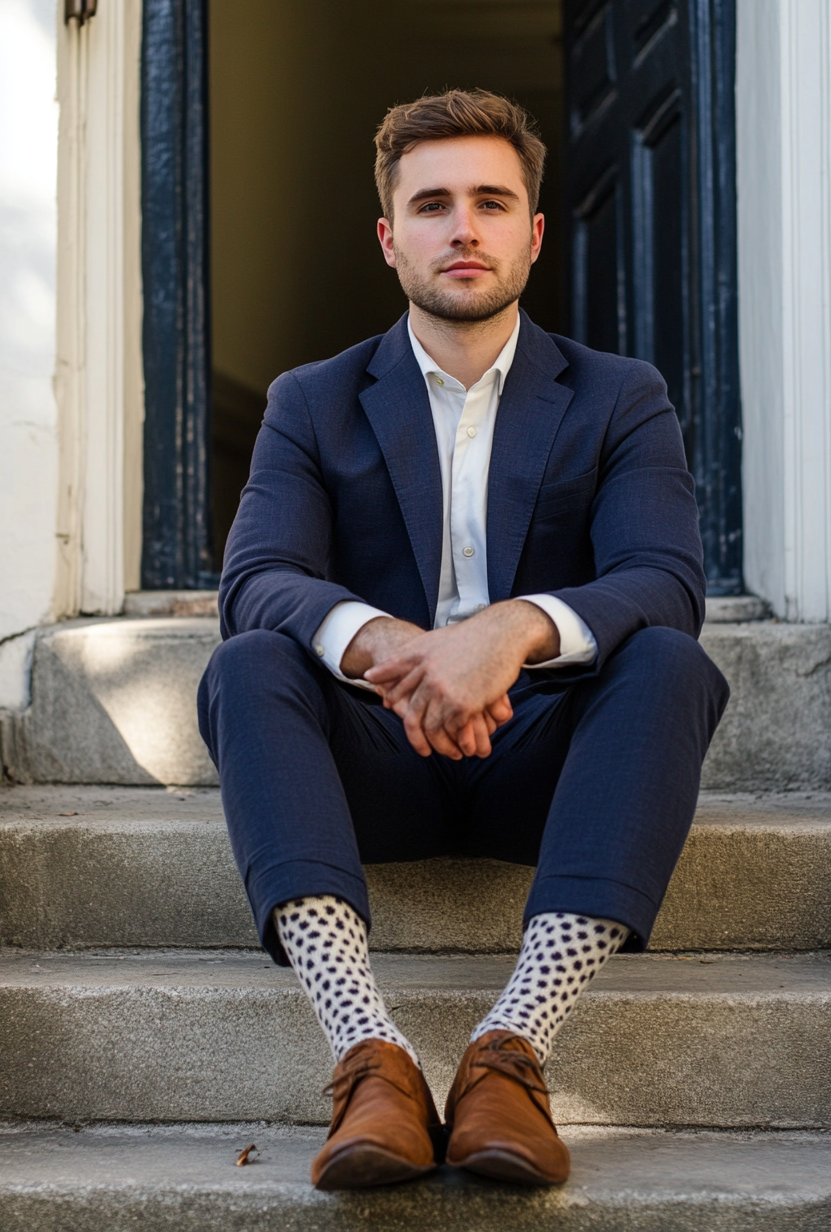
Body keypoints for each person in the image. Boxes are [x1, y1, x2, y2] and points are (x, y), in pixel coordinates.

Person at [198, 88, 729, 1192]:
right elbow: (257, 580)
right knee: (247, 663)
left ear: (533, 232)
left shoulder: (619, 396)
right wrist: (401, 646)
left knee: (668, 659)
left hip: (548, 761)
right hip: (369, 763)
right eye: (431, 205)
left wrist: (508, 631)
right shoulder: (313, 400)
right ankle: (369, 1059)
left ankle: (509, 1054)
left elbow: (664, 579)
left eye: (492, 202)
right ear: (391, 240)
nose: (464, 228)